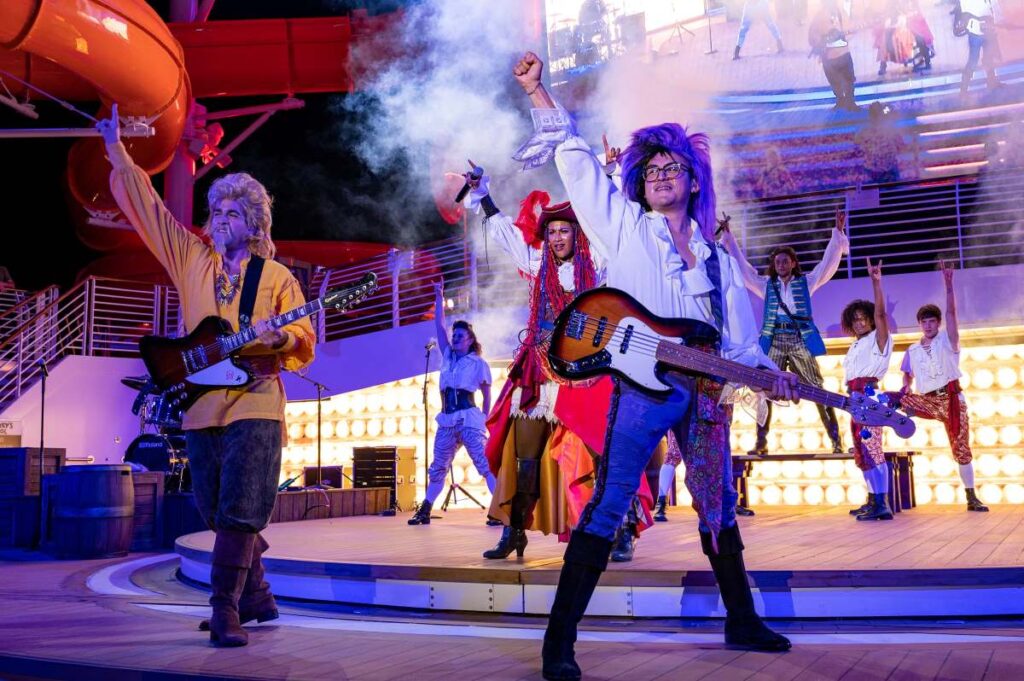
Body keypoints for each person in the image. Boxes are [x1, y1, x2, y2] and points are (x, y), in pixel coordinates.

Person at [511, 51, 799, 681]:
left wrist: (768, 376)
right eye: (653, 169)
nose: (662, 176)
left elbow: (739, 341)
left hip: (706, 390)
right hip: (642, 388)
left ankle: (742, 619)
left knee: (718, 503)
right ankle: (559, 642)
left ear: (694, 182)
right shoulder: (623, 227)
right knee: (610, 500)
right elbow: (577, 161)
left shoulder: (717, 255)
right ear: (640, 183)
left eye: (674, 168)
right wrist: (538, 92)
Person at [99, 104, 316, 647]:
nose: (220, 220)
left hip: (256, 403)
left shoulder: (277, 277)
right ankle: (258, 596)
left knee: (241, 507)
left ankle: (224, 610)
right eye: (216, 211)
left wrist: (279, 340)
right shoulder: (192, 259)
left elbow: (304, 338)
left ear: (254, 224)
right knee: (218, 511)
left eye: (232, 214)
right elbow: (150, 212)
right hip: (200, 406)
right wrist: (118, 153)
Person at [721, 209, 849, 456]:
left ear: (793, 263)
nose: (781, 265)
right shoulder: (765, 285)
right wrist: (729, 237)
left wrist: (838, 232)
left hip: (799, 339)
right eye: (777, 261)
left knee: (816, 387)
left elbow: (826, 265)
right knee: (765, 388)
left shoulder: (807, 282)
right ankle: (761, 443)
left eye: (785, 261)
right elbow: (744, 269)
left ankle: (836, 440)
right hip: (773, 339)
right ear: (774, 265)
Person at [897, 261, 988, 512]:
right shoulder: (912, 350)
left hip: (952, 400)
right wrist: (906, 387)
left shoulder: (948, 341)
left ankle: (971, 497)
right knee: (894, 398)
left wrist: (949, 286)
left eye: (932, 321)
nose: (928, 325)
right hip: (928, 400)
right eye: (924, 322)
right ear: (919, 324)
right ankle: (896, 419)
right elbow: (906, 375)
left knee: (961, 448)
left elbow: (952, 315)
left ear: (938, 323)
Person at [407, 284, 497, 524]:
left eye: (460, 336)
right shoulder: (447, 355)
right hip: (447, 420)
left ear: (470, 340)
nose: (455, 339)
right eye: (454, 335)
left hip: (469, 418)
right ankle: (425, 510)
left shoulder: (478, 363)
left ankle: (500, 511)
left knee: (483, 463)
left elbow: (487, 392)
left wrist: (485, 417)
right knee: (438, 466)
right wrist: (439, 298)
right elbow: (439, 327)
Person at [841, 258, 894, 521]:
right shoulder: (854, 345)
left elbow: (882, 315)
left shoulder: (879, 338)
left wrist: (876, 282)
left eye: (864, 318)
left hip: (870, 395)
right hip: (854, 398)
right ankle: (873, 499)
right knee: (862, 452)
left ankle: (882, 504)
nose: (860, 323)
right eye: (856, 320)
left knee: (873, 449)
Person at [809, 0, 860, 112]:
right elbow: (812, 35)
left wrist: (844, 36)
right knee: (838, 80)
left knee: (846, 80)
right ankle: (844, 101)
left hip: (841, 53)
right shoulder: (821, 16)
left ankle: (848, 102)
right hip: (831, 55)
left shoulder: (838, 13)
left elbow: (851, 31)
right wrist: (822, 41)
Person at [958, 0, 1003, 94]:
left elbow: (994, 6)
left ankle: (992, 82)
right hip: (975, 31)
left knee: (988, 57)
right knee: (973, 60)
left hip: (988, 29)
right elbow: (965, 12)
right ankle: (963, 90)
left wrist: (995, 21)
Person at [855, 102, 905, 184]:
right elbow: (901, 146)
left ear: (870, 116)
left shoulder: (864, 131)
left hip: (873, 171)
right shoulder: (891, 129)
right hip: (884, 170)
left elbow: (858, 147)